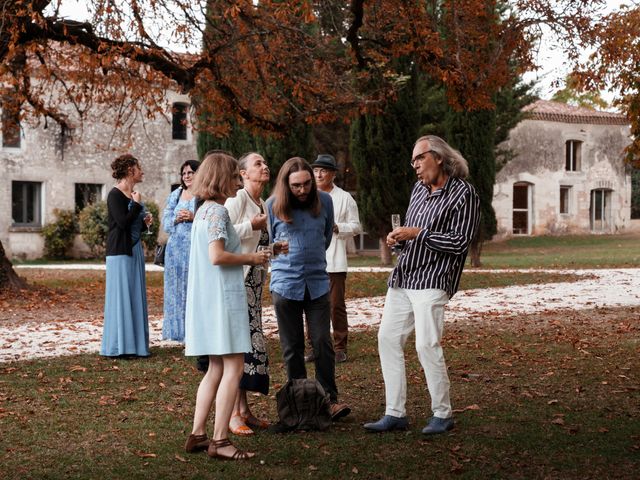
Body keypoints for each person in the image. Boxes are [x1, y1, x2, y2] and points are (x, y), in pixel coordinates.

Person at [364, 135, 480, 435]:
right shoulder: (418, 190)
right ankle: (395, 413)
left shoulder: (464, 194)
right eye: (412, 161)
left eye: (419, 158)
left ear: (439, 157)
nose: (414, 165)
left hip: (434, 280)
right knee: (387, 339)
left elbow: (459, 242)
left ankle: (442, 414)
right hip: (404, 277)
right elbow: (413, 235)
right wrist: (398, 240)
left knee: (426, 344)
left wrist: (418, 233)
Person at [183, 151, 270, 460]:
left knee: (216, 368)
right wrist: (253, 257)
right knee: (232, 366)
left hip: (208, 300)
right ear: (222, 179)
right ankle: (220, 441)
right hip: (224, 299)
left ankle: (198, 434)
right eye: (235, 175)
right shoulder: (218, 212)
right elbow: (217, 256)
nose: (238, 180)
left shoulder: (203, 211)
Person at [266, 157, 351, 421]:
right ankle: (300, 403)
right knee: (292, 347)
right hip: (285, 285)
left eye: (306, 184)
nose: (302, 190)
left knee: (323, 342)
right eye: (296, 186)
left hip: (316, 283)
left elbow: (325, 237)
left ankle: (329, 400)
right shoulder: (272, 206)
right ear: (285, 185)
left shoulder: (325, 202)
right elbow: (269, 240)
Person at [224, 152, 272, 436]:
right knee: (237, 348)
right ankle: (231, 415)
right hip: (237, 285)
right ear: (243, 173)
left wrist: (275, 250)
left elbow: (257, 245)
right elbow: (223, 235)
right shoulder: (237, 200)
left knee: (249, 347)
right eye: (258, 164)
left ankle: (244, 410)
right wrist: (251, 226)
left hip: (254, 287)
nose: (265, 167)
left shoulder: (261, 202)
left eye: (265, 163)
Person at [307, 154, 361, 364]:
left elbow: (356, 226)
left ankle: (340, 347)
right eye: (316, 170)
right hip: (311, 261)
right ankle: (314, 347)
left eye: (324, 170)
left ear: (332, 174)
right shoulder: (307, 196)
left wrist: (338, 227)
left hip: (335, 261)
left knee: (336, 305)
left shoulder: (344, 198)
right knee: (310, 304)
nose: (319, 174)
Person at [101, 154, 153, 357]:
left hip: (133, 249)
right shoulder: (115, 194)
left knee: (134, 296)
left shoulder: (133, 194)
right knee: (121, 298)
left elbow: (132, 226)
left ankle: (136, 346)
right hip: (119, 252)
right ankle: (119, 347)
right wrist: (137, 206)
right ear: (130, 170)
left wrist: (144, 222)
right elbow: (121, 223)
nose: (142, 171)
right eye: (139, 167)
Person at [161, 159, 200, 342]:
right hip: (175, 249)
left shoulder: (203, 194)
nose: (186, 176)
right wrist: (176, 218)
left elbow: (210, 218)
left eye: (190, 172)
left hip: (195, 248)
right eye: (184, 173)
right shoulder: (176, 194)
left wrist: (193, 217)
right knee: (175, 290)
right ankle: (177, 332)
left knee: (192, 289)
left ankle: (194, 332)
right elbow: (165, 222)